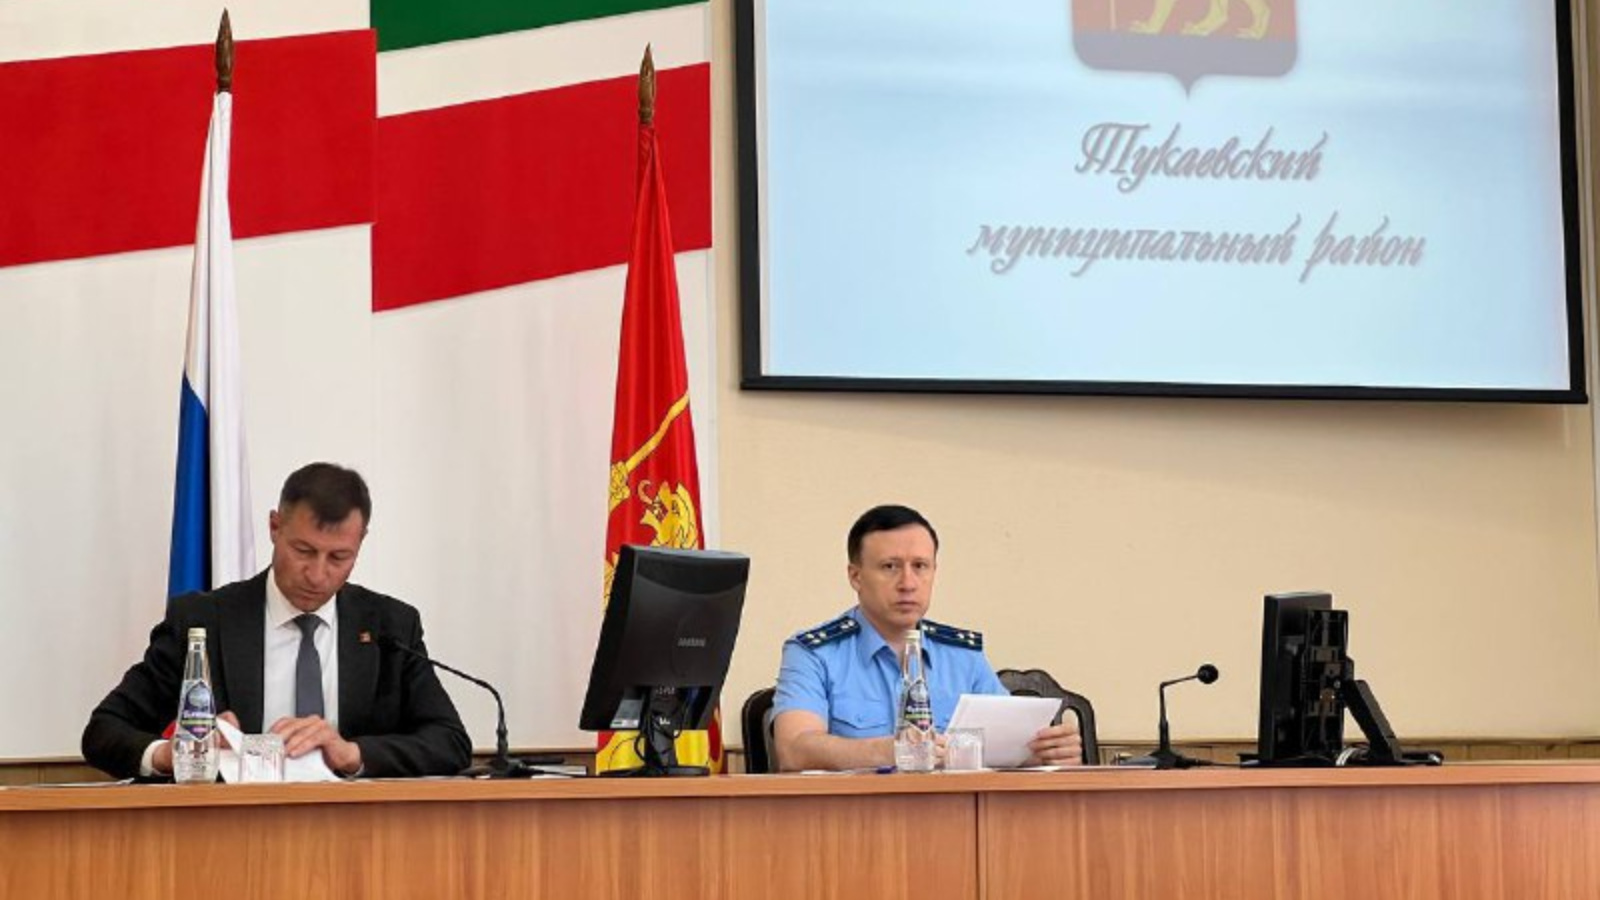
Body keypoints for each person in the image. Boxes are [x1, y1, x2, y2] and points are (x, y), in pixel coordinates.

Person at [82, 462, 471, 779]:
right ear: (274, 527)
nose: (317, 575)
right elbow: (103, 731)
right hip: (231, 833)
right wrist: (173, 753)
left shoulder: (391, 626)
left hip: (360, 836)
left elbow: (450, 742)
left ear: (361, 542)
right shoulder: (204, 621)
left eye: (339, 558)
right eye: (303, 551)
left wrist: (352, 753)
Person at [772, 504, 1083, 772]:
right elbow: (794, 750)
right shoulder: (813, 653)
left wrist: (1043, 753)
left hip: (957, 816)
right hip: (855, 818)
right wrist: (886, 752)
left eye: (920, 566)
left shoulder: (963, 655)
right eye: (890, 567)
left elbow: (1008, 747)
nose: (908, 583)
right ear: (856, 576)